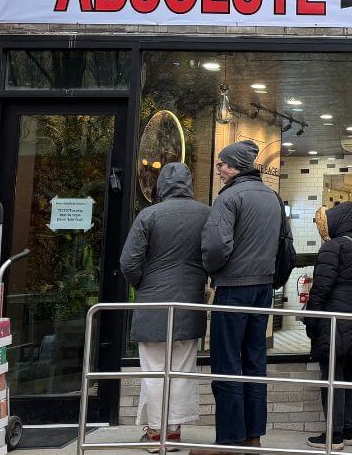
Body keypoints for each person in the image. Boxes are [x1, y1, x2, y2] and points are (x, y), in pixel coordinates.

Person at [197, 141, 291, 454]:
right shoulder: (273, 197)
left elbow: (214, 246)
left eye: (222, 164)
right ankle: (253, 435)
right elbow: (283, 245)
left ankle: (228, 438)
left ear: (236, 165)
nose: (219, 169)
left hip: (233, 287)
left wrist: (212, 272)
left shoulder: (229, 197)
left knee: (225, 361)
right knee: (255, 359)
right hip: (264, 288)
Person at [120, 163, 210, 452]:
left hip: (153, 302)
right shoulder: (207, 214)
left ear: (161, 186)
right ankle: (173, 431)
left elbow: (128, 262)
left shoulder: (149, 215)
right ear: (189, 183)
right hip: (190, 301)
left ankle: (157, 432)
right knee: (182, 369)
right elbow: (217, 253)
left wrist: (142, 286)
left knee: (154, 370)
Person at [304, 203, 352, 451]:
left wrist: (310, 320)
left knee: (332, 376)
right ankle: (347, 430)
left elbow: (321, 289)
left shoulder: (332, 247)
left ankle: (333, 435)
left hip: (336, 317)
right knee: (348, 374)